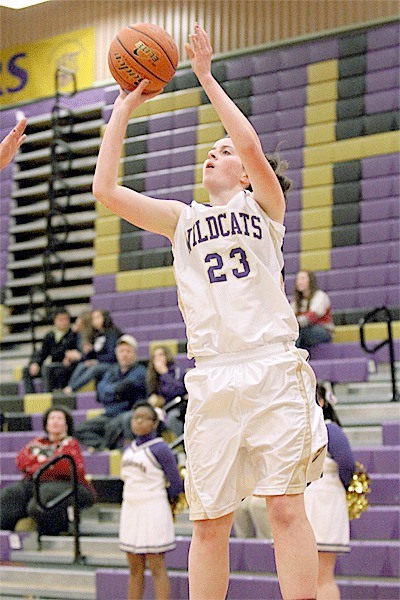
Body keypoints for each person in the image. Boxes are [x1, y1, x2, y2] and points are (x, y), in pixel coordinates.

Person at [92, 23, 327, 600]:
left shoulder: (266, 207)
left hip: (272, 367)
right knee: (208, 522)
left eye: (222, 151)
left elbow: (248, 144)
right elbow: (106, 189)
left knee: (286, 511)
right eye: (211, 149)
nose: (214, 153)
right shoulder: (182, 220)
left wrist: (204, 76)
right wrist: (124, 106)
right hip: (213, 375)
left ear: (246, 174)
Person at [119, 402, 184, 600]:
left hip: (153, 507)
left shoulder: (160, 448)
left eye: (144, 418)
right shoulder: (127, 448)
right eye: (135, 417)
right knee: (134, 567)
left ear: (155, 423)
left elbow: (175, 483)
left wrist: (169, 502)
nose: (138, 421)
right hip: (130, 509)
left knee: (156, 564)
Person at [0, 407, 95, 535]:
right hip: (37, 482)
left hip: (72, 486)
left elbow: (64, 468)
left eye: (59, 419)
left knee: (40, 501)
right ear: (46, 423)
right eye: (52, 418)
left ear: (67, 424)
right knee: (10, 494)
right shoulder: (38, 442)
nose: (55, 422)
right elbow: (21, 461)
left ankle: (53, 534)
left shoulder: (71, 443)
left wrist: (36, 464)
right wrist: (45, 465)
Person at [304, 383, 356, 600]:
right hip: (319, 501)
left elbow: (346, 464)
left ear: (322, 403)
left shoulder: (327, 429)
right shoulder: (326, 430)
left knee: (316, 575)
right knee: (320, 576)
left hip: (310, 500)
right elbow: (348, 466)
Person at [74, 334, 147, 450]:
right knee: (78, 429)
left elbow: (124, 388)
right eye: (121, 351)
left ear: (134, 354)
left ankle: (111, 446)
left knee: (115, 425)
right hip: (109, 415)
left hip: (128, 413)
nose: (124, 354)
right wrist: (115, 393)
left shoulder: (140, 371)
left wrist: (112, 392)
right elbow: (101, 391)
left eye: (128, 351)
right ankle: (104, 446)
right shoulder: (112, 371)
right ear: (117, 353)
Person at [64, 309, 122, 394]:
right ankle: (69, 387)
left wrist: (96, 361)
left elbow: (112, 356)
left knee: (94, 369)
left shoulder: (112, 334)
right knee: (82, 365)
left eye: (97, 317)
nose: (95, 321)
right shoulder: (97, 335)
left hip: (112, 364)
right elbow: (94, 354)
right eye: (93, 318)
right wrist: (88, 353)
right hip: (100, 362)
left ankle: (72, 388)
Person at [22, 308, 79, 393]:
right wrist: (35, 363)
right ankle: (30, 396)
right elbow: (42, 352)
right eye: (60, 319)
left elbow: (73, 352)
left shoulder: (74, 334)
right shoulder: (50, 336)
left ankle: (47, 395)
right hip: (53, 366)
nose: (63, 322)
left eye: (65, 319)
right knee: (27, 370)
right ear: (55, 321)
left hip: (66, 367)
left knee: (47, 369)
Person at [146, 345, 187, 436]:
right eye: (155, 356)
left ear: (167, 356)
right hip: (161, 408)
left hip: (178, 406)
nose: (158, 359)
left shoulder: (176, 369)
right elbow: (151, 393)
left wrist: (164, 373)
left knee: (171, 418)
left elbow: (179, 390)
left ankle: (184, 444)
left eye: (161, 355)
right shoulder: (152, 374)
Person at [291, 270, 334, 351]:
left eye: (303, 279)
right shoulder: (296, 301)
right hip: (303, 329)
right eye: (298, 279)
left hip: (323, 330)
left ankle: (294, 354)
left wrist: (295, 323)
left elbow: (313, 316)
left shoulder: (320, 296)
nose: (299, 282)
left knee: (298, 332)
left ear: (310, 280)